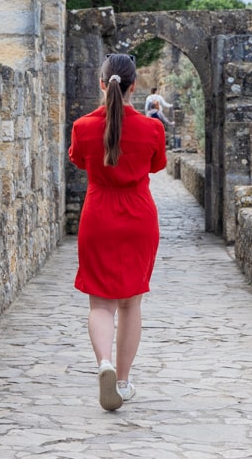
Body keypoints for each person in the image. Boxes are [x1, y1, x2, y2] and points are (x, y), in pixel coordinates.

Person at [69, 53, 168, 411]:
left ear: (101, 83)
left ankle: (103, 364)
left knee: (100, 302)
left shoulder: (82, 127)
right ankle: (123, 381)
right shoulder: (153, 128)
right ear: (133, 86)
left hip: (98, 217)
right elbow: (156, 165)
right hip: (139, 217)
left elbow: (79, 160)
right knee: (131, 302)